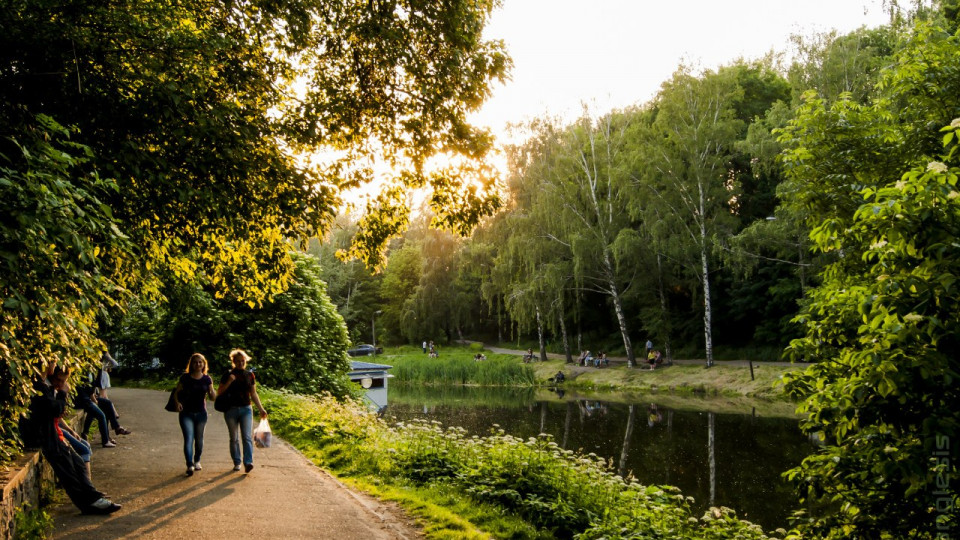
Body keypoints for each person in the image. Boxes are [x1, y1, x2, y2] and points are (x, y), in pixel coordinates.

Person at [23, 362, 120, 514]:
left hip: (51, 433)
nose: (54, 363)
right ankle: (88, 504)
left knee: (77, 463)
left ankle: (93, 497)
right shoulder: (39, 386)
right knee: (68, 470)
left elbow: (56, 411)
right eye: (52, 363)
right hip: (45, 436)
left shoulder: (44, 385)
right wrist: (63, 394)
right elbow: (55, 410)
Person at [217, 349, 267, 473]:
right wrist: (229, 381)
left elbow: (253, 393)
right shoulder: (227, 374)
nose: (240, 363)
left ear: (246, 361)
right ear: (233, 362)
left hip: (246, 409)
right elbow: (220, 392)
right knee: (234, 438)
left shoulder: (249, 375)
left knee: (247, 437)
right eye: (238, 361)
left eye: (243, 361)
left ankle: (248, 462)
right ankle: (237, 462)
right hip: (230, 410)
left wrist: (261, 409)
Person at [174, 353, 216, 476]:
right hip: (186, 413)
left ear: (204, 364)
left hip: (201, 414)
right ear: (191, 364)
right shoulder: (185, 378)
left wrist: (213, 392)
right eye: (195, 362)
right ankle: (189, 464)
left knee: (199, 439)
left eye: (200, 362)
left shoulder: (207, 379)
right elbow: (176, 393)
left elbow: (212, 397)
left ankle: (197, 460)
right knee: (188, 438)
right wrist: (177, 403)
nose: (198, 364)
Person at [73, 378, 131, 448]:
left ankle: (114, 429)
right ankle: (105, 441)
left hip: (89, 398)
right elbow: (88, 389)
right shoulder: (86, 372)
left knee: (107, 403)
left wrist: (95, 397)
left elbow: (92, 389)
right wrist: (95, 400)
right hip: (83, 401)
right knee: (101, 415)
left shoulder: (93, 373)